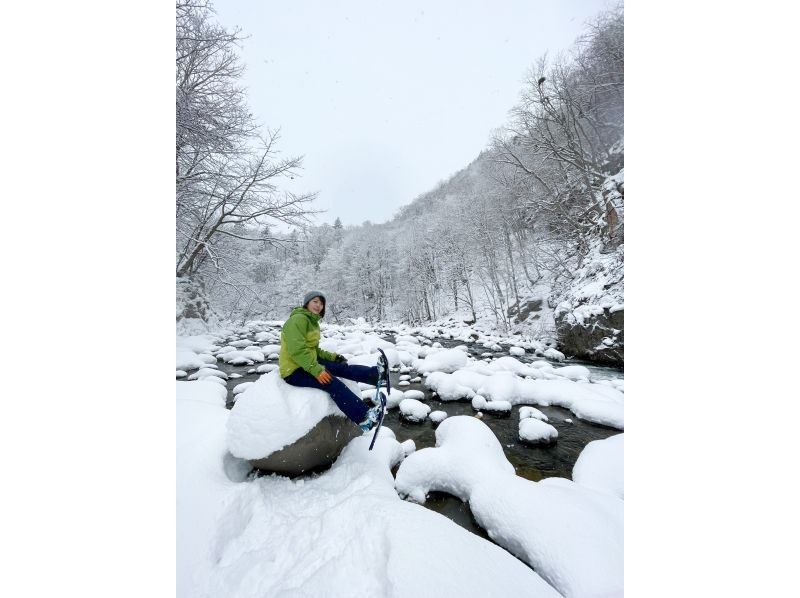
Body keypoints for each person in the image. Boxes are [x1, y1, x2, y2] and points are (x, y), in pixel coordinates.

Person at [279, 291, 385, 432]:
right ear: (307, 303)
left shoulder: (312, 322)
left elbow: (314, 350)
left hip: (306, 363)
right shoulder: (298, 320)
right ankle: (364, 418)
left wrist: (333, 358)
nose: (318, 306)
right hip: (294, 371)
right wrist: (316, 370)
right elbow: (297, 351)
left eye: (321, 303)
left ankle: (376, 375)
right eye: (315, 302)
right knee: (332, 383)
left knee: (341, 368)